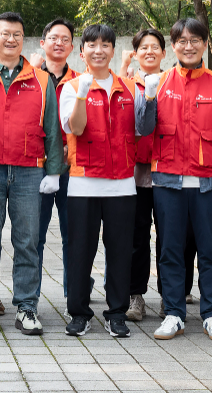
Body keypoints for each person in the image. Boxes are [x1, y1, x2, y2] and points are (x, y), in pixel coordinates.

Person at [137, 17, 212, 342]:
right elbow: (143, 127)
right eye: (182, 40)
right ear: (173, 46)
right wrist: (150, 98)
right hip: (168, 182)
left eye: (195, 39)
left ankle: (211, 315)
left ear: (205, 44)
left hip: (210, 183)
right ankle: (173, 314)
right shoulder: (161, 81)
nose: (188, 45)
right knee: (170, 250)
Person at [0, 11, 64, 336]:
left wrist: (54, 171)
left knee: (28, 241)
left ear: (25, 40)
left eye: (17, 34)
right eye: (4, 34)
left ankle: (27, 307)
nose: (10, 39)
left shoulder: (43, 79)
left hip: (28, 169)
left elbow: (52, 129)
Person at [61, 24, 156, 338]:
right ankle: (79, 313)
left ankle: (117, 312)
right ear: (82, 50)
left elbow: (143, 128)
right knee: (80, 251)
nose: (98, 50)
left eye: (105, 44)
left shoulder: (130, 87)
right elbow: (74, 129)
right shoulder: (71, 87)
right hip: (83, 182)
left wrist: (150, 97)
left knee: (119, 251)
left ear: (114, 50)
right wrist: (83, 94)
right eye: (92, 44)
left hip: (121, 183)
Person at [27, 18, 79, 299]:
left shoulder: (81, 81)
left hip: (71, 168)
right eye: (54, 37)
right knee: (34, 236)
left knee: (73, 235)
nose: (59, 43)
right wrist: (33, 70)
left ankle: (74, 296)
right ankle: (30, 297)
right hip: (37, 167)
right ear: (42, 42)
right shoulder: (30, 77)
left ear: (72, 47)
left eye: (65, 39)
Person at [120, 28, 167, 322]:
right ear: (136, 53)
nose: (149, 51)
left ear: (164, 52)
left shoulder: (172, 83)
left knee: (170, 238)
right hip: (134, 172)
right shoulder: (125, 84)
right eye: (143, 47)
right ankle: (135, 295)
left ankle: (170, 295)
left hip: (166, 171)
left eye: (155, 47)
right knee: (135, 237)